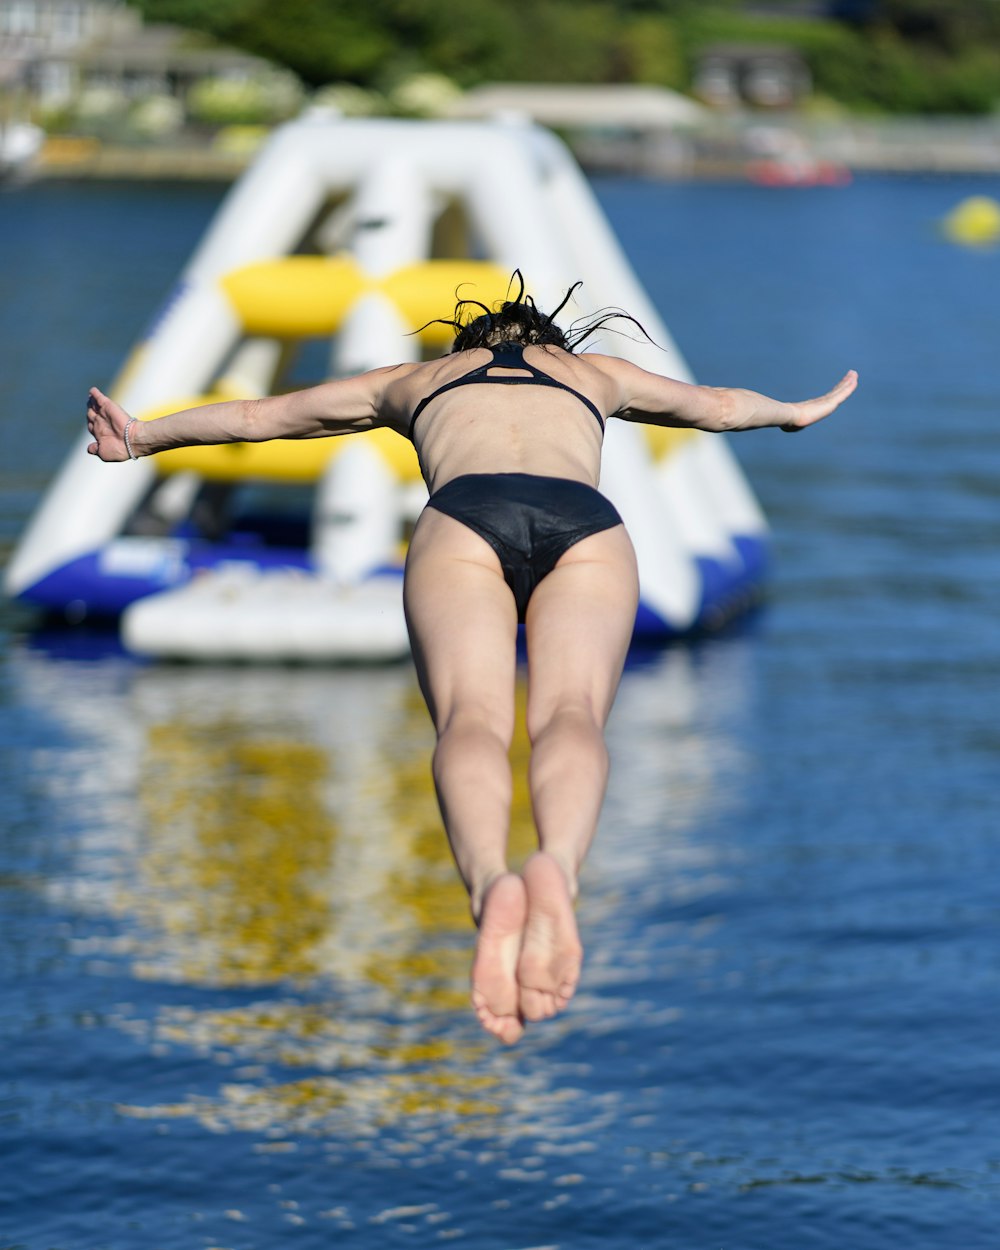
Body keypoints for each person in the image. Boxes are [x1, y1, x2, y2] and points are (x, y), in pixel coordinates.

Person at [86, 280, 857, 1045]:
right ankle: (557, 864)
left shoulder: (413, 382)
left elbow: (262, 419)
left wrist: (144, 436)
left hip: (465, 517)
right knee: (572, 714)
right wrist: (796, 412)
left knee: (472, 720)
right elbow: (720, 407)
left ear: (467, 348)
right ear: (549, 345)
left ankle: (492, 885)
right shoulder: (592, 374)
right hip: (583, 523)